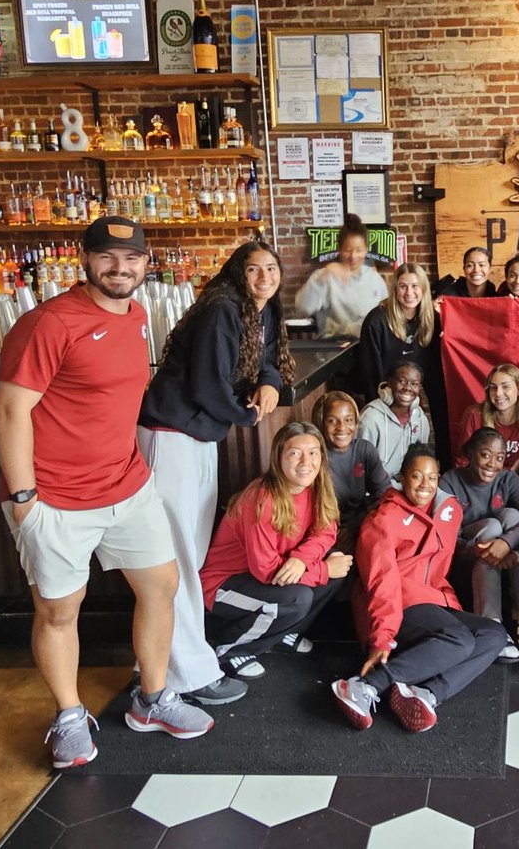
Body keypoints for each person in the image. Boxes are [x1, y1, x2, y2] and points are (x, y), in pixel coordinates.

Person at [0, 216, 212, 769]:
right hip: (55, 496)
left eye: (132, 258)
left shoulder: (137, 316)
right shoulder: (48, 323)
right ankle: (69, 715)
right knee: (60, 610)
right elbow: (10, 408)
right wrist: (23, 499)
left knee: (161, 585)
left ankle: (152, 697)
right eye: (109, 258)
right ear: (86, 259)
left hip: (126, 484)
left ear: (145, 262)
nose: (121, 268)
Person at [138, 239, 298, 707]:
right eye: (254, 270)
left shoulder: (259, 310)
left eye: (271, 268)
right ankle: (187, 673)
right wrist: (248, 417)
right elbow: (208, 386)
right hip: (170, 435)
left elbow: (268, 361)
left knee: (187, 552)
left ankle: (163, 659)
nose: (265, 277)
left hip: (199, 436)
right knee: (176, 560)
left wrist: (268, 384)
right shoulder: (222, 309)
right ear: (237, 273)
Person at [332, 445, 506, 733]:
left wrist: (491, 551)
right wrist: (382, 638)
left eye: (432, 477)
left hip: (432, 601)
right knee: (460, 640)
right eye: (417, 477)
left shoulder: (446, 510)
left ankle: (425, 694)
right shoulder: (383, 519)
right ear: (402, 478)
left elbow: (440, 559)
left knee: (493, 635)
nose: (425, 485)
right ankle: (364, 686)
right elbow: (381, 581)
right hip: (394, 605)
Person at [200, 423, 352, 679]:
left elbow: (326, 531)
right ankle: (229, 649)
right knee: (299, 597)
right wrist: (322, 569)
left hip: (275, 571)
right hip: (224, 586)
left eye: (313, 453)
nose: (306, 461)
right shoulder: (261, 499)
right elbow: (266, 570)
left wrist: (302, 560)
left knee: (338, 567)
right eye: (295, 453)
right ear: (279, 457)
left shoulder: (317, 487)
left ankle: (281, 632)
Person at [440, 428, 519, 661]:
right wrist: (478, 548)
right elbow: (446, 538)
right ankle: (491, 624)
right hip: (466, 561)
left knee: (514, 517)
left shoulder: (507, 478)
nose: (492, 464)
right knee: (493, 527)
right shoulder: (450, 482)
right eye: (485, 455)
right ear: (470, 453)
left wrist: (505, 544)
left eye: (499, 457)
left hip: (505, 559)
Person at [355, 262, 449, 460]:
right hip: (386, 389)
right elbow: (371, 372)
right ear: (395, 289)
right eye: (403, 286)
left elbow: (437, 373)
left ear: (423, 289)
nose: (409, 293)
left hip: (422, 377)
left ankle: (443, 464)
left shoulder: (432, 319)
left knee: (443, 406)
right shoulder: (377, 320)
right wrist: (384, 405)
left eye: (415, 286)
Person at [313, 390, 388, 556]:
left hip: (360, 523)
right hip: (325, 531)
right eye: (332, 421)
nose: (342, 428)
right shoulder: (314, 455)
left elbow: (384, 495)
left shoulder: (364, 449)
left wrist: (355, 526)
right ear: (320, 422)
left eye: (348, 420)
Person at [292, 214, 387, 339]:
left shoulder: (375, 279)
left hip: (369, 345)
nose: (353, 256)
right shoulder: (325, 276)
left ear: (366, 250)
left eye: (359, 250)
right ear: (340, 250)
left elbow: (386, 315)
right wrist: (323, 277)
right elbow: (302, 307)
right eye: (348, 250)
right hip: (334, 347)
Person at [456, 364, 519, 474]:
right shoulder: (475, 416)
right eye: (493, 387)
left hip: (510, 486)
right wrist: (505, 471)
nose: (498, 393)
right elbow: (463, 462)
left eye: (505, 386)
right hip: (474, 482)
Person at [359, 361, 433, 480]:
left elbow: (422, 460)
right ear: (389, 383)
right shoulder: (370, 418)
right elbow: (362, 466)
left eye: (414, 384)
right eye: (402, 381)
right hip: (378, 489)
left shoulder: (419, 417)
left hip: (409, 485)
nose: (408, 388)